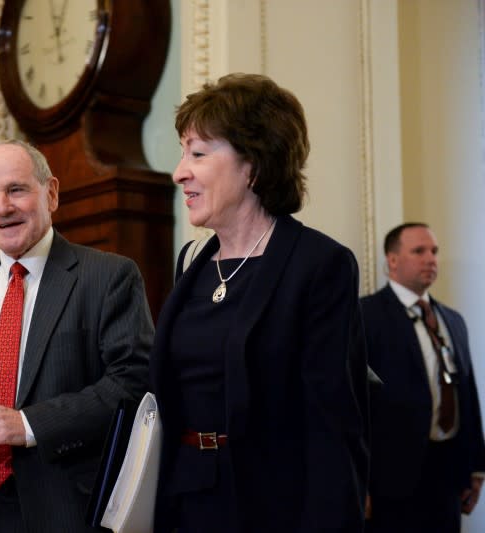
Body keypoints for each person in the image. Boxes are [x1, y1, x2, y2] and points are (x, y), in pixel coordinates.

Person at [149, 73, 369, 532]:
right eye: (182, 152)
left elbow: (331, 426)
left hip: (270, 507)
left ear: (252, 164)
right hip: (183, 500)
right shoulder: (191, 262)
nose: (179, 171)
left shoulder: (320, 265)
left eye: (198, 153)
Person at [0, 139, 154, 533]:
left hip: (67, 508)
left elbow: (132, 385)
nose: (2, 207)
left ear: (52, 193)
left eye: (16, 189)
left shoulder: (109, 276)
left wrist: (27, 424)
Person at [361, 222, 485, 533]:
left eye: (434, 251)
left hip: (447, 472)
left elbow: (467, 393)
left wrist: (476, 468)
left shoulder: (452, 320)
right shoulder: (365, 316)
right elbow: (353, 402)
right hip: (391, 479)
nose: (430, 259)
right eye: (419, 251)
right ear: (392, 260)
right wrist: (356, 480)